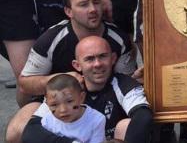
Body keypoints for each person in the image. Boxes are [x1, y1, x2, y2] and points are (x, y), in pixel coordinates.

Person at [6, 0, 135, 143]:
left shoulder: (119, 38)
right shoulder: (50, 40)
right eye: (83, 5)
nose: (93, 10)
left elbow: (128, 81)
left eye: (96, 3)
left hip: (105, 100)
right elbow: (25, 84)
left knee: (131, 127)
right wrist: (61, 79)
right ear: (68, 11)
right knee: (16, 132)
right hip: (58, 102)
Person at [22, 36, 152, 143]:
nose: (97, 64)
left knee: (126, 125)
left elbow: (143, 117)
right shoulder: (67, 88)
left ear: (113, 59)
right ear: (77, 65)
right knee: (18, 129)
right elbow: (31, 131)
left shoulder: (123, 84)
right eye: (90, 59)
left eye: (102, 56)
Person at [36, 74, 106, 143]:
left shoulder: (96, 120)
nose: (63, 110)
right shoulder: (47, 121)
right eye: (54, 105)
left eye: (69, 101)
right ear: (47, 104)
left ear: (81, 97)